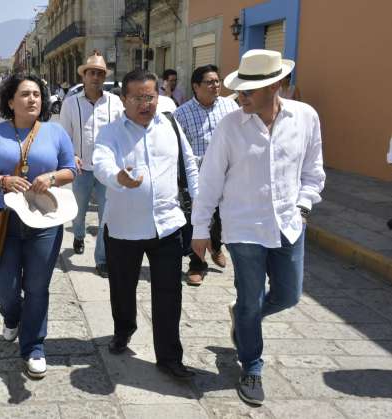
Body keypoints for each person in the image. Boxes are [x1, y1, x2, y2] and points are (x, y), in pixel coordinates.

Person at [191, 49, 325, 405]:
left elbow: (314, 172)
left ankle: (243, 317)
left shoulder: (306, 118)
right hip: (244, 228)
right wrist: (201, 230)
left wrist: (303, 206)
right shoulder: (230, 126)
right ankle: (251, 365)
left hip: (289, 226)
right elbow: (210, 181)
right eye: (240, 89)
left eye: (250, 90)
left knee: (288, 295)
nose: (240, 96)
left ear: (276, 86)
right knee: (251, 300)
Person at [93, 69, 199, 379]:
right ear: (124, 98)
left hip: (167, 227)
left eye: (150, 97)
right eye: (137, 97)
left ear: (158, 97)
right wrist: (118, 177)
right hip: (124, 228)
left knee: (169, 294)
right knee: (122, 288)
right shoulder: (111, 132)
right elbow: (101, 163)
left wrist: (202, 210)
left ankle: (169, 357)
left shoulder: (170, 126)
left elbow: (189, 167)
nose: (145, 103)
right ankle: (123, 330)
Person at [0, 73, 76, 379]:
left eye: (37, 94)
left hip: (45, 221)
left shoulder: (55, 133)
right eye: (25, 94)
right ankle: (12, 316)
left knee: (37, 286)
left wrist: (52, 177)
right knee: (5, 286)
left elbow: (70, 169)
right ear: (10, 100)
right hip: (4, 220)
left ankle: (34, 347)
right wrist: (2, 180)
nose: (33, 99)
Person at [59, 52, 125, 278]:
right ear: (84, 76)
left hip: (107, 171)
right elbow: (64, 136)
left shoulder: (115, 103)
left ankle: (102, 259)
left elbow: (120, 133)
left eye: (100, 73)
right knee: (79, 210)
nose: (95, 77)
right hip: (81, 169)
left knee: (106, 216)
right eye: (91, 73)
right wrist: (71, 157)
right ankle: (78, 234)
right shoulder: (70, 104)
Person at [174, 64, 240, 286]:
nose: (216, 86)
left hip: (229, 175)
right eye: (210, 82)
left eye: (217, 81)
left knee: (221, 217)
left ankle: (216, 246)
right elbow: (179, 151)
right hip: (198, 177)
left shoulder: (230, 107)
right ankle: (197, 264)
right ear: (196, 86)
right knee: (197, 218)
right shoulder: (181, 114)